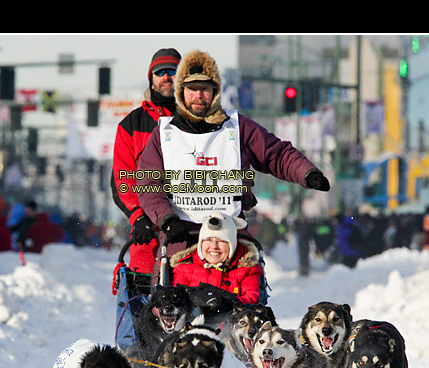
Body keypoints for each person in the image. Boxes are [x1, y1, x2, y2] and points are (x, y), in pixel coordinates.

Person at [135, 49, 330, 270]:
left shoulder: (238, 127)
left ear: (215, 92)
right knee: (167, 295)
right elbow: (148, 184)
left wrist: (307, 173)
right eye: (192, 89)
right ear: (182, 92)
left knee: (246, 288)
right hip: (181, 233)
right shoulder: (164, 134)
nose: (198, 96)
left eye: (205, 90)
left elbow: (276, 154)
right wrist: (167, 220)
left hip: (231, 233)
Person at [111, 47, 181, 275]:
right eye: (160, 72)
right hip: (149, 221)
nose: (167, 77)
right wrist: (137, 216)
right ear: (151, 81)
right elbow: (123, 178)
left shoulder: (200, 118)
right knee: (142, 267)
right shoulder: (131, 125)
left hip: (192, 217)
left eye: (173, 70)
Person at [171, 211, 262, 305]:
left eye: (221, 241)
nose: (214, 246)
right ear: (201, 244)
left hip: (232, 316)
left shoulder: (247, 269)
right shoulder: (184, 268)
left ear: (232, 245)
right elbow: (178, 300)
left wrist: (225, 302)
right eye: (209, 240)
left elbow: (250, 299)